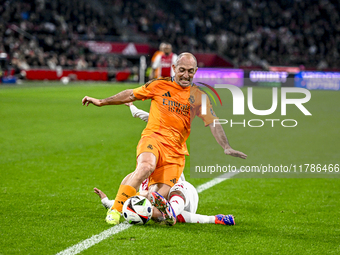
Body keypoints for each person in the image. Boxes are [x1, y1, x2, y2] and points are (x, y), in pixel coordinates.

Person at [82, 53, 246, 226]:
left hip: (175, 153)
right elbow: (131, 94)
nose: (186, 75)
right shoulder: (159, 85)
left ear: (196, 71)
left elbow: (213, 122)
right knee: (146, 166)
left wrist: (226, 146)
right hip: (154, 138)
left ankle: (130, 205)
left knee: (158, 204)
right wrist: (101, 102)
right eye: (182, 70)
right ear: (174, 68)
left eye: (190, 71)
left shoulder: (199, 96)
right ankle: (114, 210)